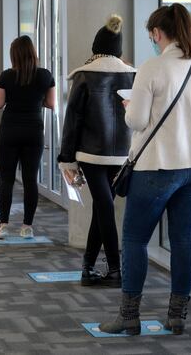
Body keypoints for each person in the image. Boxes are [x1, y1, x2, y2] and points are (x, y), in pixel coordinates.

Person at [99, 3, 191, 336]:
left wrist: (129, 107)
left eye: (151, 33)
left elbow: (136, 121)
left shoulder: (152, 67)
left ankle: (129, 316)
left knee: (135, 239)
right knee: (184, 240)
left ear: (157, 33)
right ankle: (178, 316)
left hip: (158, 168)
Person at [57, 15, 135, 288]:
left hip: (90, 154)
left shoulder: (84, 75)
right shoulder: (133, 74)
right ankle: (90, 268)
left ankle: (112, 268)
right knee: (104, 207)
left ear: (95, 47)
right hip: (124, 155)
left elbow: (73, 120)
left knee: (103, 208)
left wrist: (66, 159)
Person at [0, 35, 55, 240]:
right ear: (33, 53)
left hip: (9, 131)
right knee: (30, 180)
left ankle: (3, 224)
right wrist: (35, 101)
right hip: (33, 132)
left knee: (6, 179)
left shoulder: (6, 76)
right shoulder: (45, 76)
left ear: (14, 55)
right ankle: (27, 226)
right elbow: (52, 103)